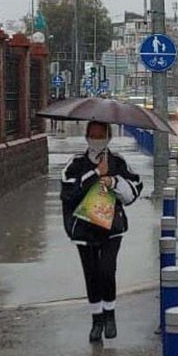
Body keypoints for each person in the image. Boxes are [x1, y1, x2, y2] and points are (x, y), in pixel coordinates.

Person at [61, 121, 143, 343]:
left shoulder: (117, 162)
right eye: (93, 134)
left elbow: (134, 190)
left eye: (101, 134)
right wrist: (96, 173)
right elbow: (69, 192)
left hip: (111, 229)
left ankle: (110, 315)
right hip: (84, 229)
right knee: (92, 273)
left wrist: (114, 181)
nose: (97, 139)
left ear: (109, 136)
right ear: (87, 136)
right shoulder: (76, 164)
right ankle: (96, 320)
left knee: (107, 270)